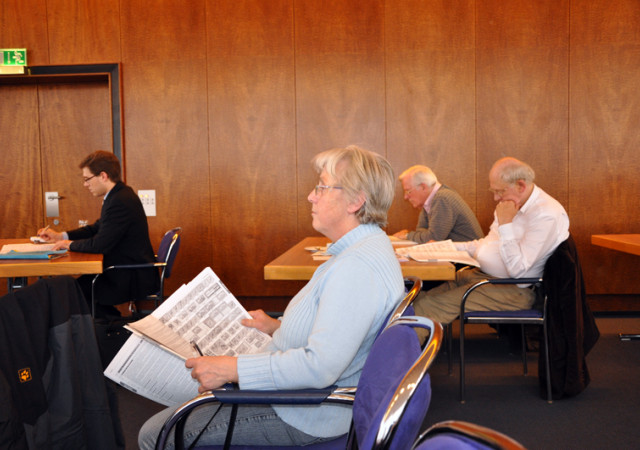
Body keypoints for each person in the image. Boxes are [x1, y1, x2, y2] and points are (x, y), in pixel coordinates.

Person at [138, 145, 404, 449]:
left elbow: (320, 367)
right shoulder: (363, 250)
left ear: (355, 201)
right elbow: (343, 331)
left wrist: (231, 369)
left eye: (322, 186)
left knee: (155, 433)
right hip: (304, 397)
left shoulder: (356, 267)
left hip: (307, 411)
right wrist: (277, 327)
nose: (311, 196)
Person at [414, 157, 569, 325]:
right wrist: (443, 248)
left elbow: (518, 270)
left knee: (428, 306)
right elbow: (486, 245)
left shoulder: (545, 214)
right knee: (419, 298)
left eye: (500, 191)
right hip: (484, 277)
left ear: (521, 186)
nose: (496, 197)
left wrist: (506, 224)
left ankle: (407, 341)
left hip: (513, 289)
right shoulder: (509, 205)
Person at [37, 150, 159, 318]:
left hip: (128, 275)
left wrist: (69, 245)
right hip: (122, 269)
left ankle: (113, 325)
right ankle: (111, 324)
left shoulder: (120, 200)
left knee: (75, 292)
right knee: (75, 289)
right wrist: (61, 236)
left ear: (103, 176)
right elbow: (96, 228)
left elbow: (100, 244)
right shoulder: (118, 195)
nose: (85, 184)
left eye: (87, 179)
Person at [393, 165, 484, 244]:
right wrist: (419, 235)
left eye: (408, 191)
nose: (405, 197)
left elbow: (433, 239)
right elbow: (421, 231)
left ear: (423, 187)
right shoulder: (430, 200)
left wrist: (408, 235)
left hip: (468, 256)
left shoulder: (442, 198)